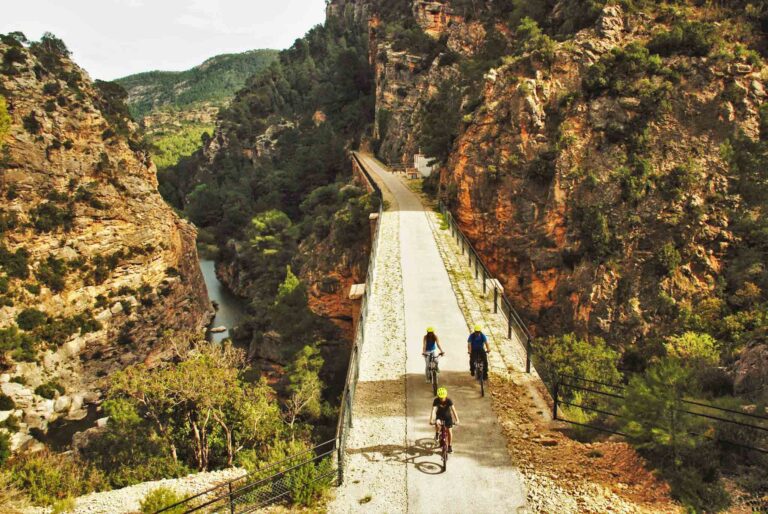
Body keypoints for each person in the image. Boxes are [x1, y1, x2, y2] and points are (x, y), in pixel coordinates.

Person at [430, 387, 460, 452]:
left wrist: (457, 420)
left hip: (448, 417)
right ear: (438, 396)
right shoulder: (436, 400)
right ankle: (437, 433)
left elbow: (453, 410)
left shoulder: (449, 400)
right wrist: (431, 419)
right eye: (440, 397)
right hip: (439, 416)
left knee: (449, 431)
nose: (441, 399)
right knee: (437, 423)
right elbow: (433, 410)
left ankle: (450, 446)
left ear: (445, 396)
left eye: (443, 397)